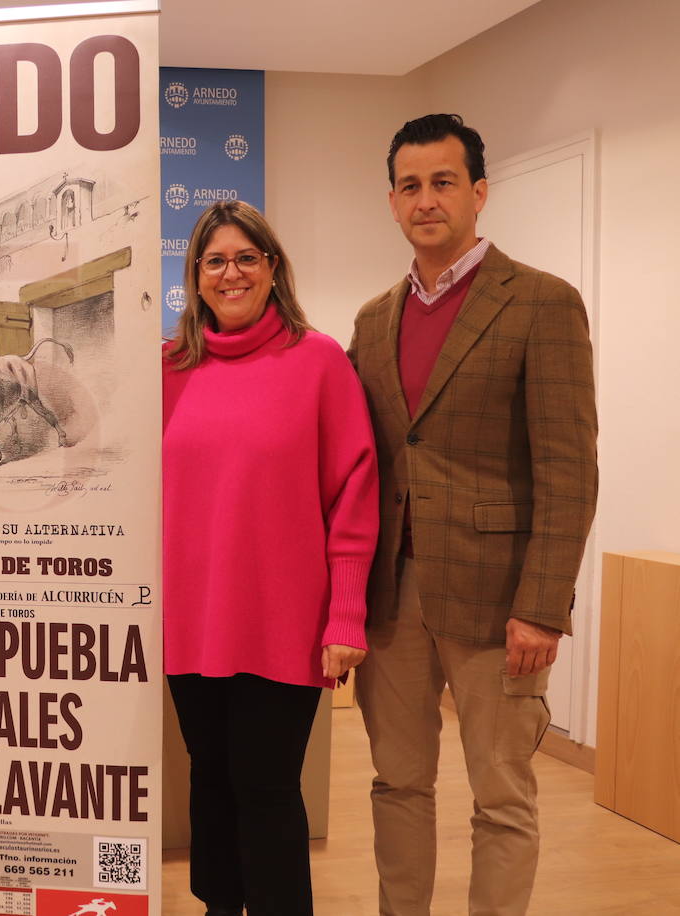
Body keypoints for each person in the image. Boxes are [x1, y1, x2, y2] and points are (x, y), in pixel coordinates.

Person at [348, 114, 598, 916]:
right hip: (395, 597)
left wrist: (542, 606)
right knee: (398, 782)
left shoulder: (542, 303)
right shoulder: (373, 318)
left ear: (479, 192)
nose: (427, 200)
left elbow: (569, 470)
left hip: (500, 604)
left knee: (502, 797)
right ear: (392, 201)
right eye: (411, 185)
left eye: (444, 182)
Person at [162, 200, 378, 915]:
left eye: (246, 258)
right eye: (215, 260)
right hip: (188, 620)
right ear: (195, 277)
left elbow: (353, 490)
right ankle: (220, 907)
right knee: (210, 777)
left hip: (283, 618)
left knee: (266, 786)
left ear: (272, 269)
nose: (231, 273)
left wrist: (346, 615)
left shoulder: (315, 361)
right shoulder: (167, 369)